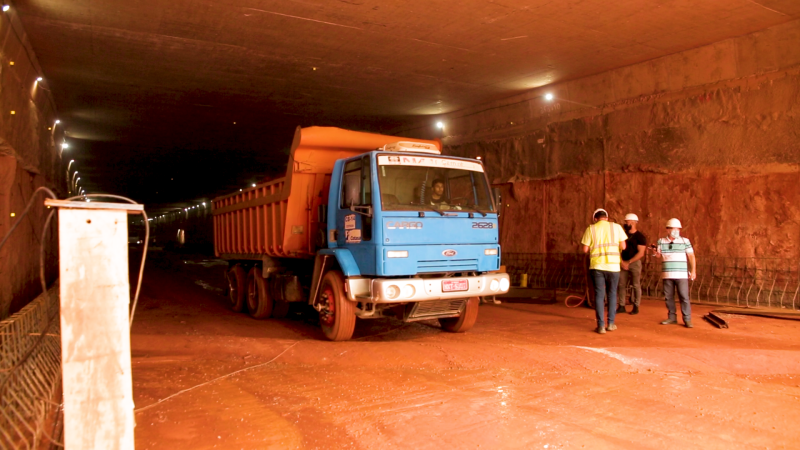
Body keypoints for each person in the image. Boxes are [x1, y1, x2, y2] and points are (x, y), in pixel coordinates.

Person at [580, 208, 627, 334]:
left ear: (595, 218)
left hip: (597, 266)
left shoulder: (591, 229)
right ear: (607, 217)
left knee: (599, 296)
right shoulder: (616, 227)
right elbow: (623, 246)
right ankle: (611, 324)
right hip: (613, 267)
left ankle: (601, 326)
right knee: (612, 294)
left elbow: (585, 250)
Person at [651, 218, 696, 328]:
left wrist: (693, 270)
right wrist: (654, 252)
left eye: (677, 228)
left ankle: (687, 319)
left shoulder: (685, 241)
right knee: (668, 297)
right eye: (672, 228)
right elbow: (658, 255)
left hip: (681, 274)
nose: (675, 230)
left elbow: (691, 256)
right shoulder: (661, 241)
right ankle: (672, 317)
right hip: (667, 274)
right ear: (667, 229)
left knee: (684, 296)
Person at [617, 213, 647, 315]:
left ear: (633, 222)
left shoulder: (640, 237)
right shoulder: (622, 234)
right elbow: (617, 249)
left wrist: (628, 262)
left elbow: (641, 253)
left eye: (627, 221)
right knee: (621, 284)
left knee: (635, 285)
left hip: (634, 263)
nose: (625, 223)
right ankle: (621, 306)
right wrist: (621, 261)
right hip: (622, 262)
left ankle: (636, 306)